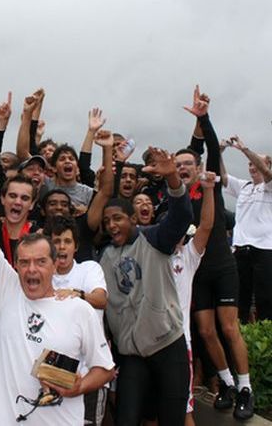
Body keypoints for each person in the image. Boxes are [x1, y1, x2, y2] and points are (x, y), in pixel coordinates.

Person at [0, 154, 115, 424]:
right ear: (15, 265)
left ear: (55, 264)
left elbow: (105, 369)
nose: (31, 269)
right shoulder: (8, 290)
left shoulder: (78, 309)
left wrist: (80, 386)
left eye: (40, 262)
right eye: (24, 262)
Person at [100, 147, 193, 426]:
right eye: (107, 221)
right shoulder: (104, 257)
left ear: (132, 219)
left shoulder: (154, 239)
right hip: (132, 355)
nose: (111, 225)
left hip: (168, 345)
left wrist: (173, 179)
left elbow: (181, 218)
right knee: (126, 419)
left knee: (171, 420)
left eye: (117, 218)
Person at [179, 86, 253, 419]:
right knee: (206, 332)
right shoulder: (176, 197)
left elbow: (207, 145)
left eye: (188, 163)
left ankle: (246, 388)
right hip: (197, 274)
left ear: (198, 167)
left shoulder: (209, 186)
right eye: (178, 164)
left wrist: (204, 118)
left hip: (223, 267)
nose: (183, 167)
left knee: (229, 328)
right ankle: (227, 383)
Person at [43, 215, 109, 426]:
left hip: (89, 375)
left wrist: (77, 294)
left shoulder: (89, 269)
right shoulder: (42, 276)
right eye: (56, 241)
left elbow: (101, 300)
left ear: (76, 246)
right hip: (51, 375)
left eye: (67, 241)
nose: (62, 247)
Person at [220, 135, 272, 322]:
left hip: (265, 249)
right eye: (249, 164)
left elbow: (266, 172)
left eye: (255, 162)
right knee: (240, 296)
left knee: (265, 298)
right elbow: (223, 177)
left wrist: (244, 150)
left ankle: (265, 335)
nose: (252, 166)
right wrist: (219, 152)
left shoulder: (269, 185)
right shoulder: (244, 186)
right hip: (241, 248)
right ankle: (241, 334)